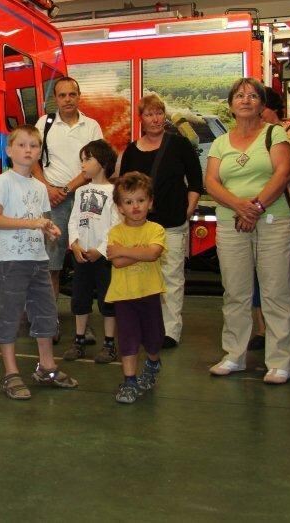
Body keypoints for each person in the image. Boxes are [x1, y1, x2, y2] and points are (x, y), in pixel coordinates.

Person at [204, 78, 290, 384]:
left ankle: (280, 361)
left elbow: (282, 173)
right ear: (231, 104)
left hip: (272, 220)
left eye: (253, 96)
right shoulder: (220, 143)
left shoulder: (275, 133)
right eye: (240, 96)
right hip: (232, 222)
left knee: (274, 291)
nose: (246, 100)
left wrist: (254, 208)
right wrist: (239, 207)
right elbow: (212, 183)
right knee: (235, 292)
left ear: (262, 103)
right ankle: (234, 355)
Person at [0, 125, 79, 400]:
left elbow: (43, 220)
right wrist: (31, 223)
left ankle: (46, 366)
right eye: (22, 145)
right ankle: (11, 372)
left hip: (39, 260)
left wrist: (48, 228)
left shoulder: (40, 188)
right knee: (10, 315)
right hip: (12, 262)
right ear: (9, 149)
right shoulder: (3, 182)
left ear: (39, 151)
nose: (28, 150)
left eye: (34, 146)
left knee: (46, 314)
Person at [117, 94, 203, 349]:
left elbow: (195, 181)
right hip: (139, 227)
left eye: (159, 113)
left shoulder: (179, 145)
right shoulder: (132, 150)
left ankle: (170, 330)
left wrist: (187, 211)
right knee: (142, 277)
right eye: (149, 114)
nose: (155, 119)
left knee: (172, 277)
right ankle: (147, 327)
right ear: (141, 119)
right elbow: (124, 188)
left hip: (172, 223)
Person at [248, 88, 290, 350]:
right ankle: (263, 332)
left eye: (259, 105)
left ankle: (289, 332)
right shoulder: (251, 136)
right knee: (255, 277)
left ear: (270, 108)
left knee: (288, 277)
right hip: (256, 215)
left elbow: (285, 164)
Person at [34, 77, 104, 302]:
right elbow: (32, 160)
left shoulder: (91, 126)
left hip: (87, 198)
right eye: (62, 95)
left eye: (71, 94)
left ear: (79, 96)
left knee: (86, 260)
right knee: (51, 264)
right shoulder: (43, 124)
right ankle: (50, 322)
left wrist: (65, 189)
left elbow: (98, 163)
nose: (67, 100)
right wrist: (47, 189)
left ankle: (82, 322)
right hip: (52, 201)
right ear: (55, 99)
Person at [105, 172, 167, 404]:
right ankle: (129, 381)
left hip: (149, 294)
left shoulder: (156, 229)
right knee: (128, 339)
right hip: (124, 296)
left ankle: (152, 362)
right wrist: (139, 252)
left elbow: (153, 253)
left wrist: (126, 250)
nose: (135, 206)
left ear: (150, 202)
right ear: (120, 207)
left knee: (154, 338)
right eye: (129, 202)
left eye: (140, 200)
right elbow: (116, 260)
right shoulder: (115, 232)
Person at [63, 139, 120, 363]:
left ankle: (109, 344)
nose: (83, 165)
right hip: (82, 255)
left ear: (103, 162)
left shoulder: (114, 191)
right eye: (82, 161)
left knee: (108, 300)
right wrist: (75, 244)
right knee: (80, 298)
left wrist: (101, 250)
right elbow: (73, 220)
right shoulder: (81, 192)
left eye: (88, 160)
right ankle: (78, 340)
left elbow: (116, 224)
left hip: (103, 257)